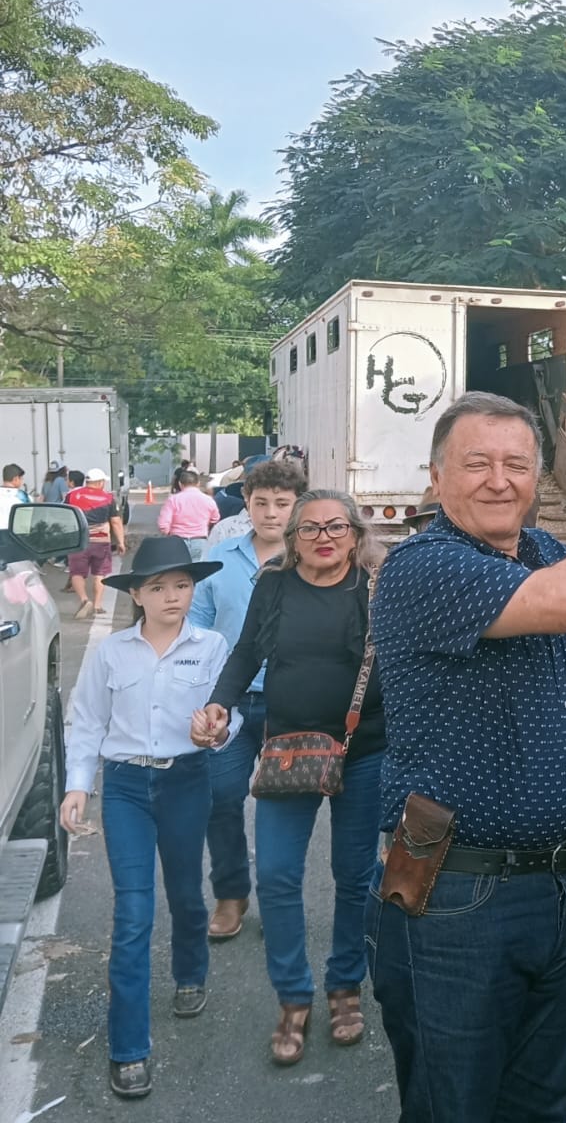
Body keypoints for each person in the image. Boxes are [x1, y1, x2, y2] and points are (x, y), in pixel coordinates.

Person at [366, 391, 566, 1122]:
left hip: (559, 885)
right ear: (436, 476)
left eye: (516, 464)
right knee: (453, 1108)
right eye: (476, 463)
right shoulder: (425, 566)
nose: (498, 480)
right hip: (457, 895)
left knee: (539, 1104)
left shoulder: (545, 551)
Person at [201, 490, 385, 1066]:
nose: (323, 537)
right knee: (277, 876)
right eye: (310, 529)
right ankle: (293, 997)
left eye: (336, 527)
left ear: (355, 535)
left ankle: (345, 986)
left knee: (355, 875)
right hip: (289, 750)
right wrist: (219, 703)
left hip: (366, 751)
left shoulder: (377, 587)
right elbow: (245, 653)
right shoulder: (273, 585)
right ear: (293, 539)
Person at [59, 536, 237, 1100]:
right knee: (133, 913)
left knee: (185, 893)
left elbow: (225, 717)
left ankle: (190, 971)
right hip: (126, 788)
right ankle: (128, 1047)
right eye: (158, 587)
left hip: (187, 781)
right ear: (136, 594)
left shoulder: (211, 646)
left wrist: (215, 732)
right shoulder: (112, 653)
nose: (172, 597)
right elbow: (88, 720)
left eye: (182, 585)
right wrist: (77, 786)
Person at [189, 459, 306, 941]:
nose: (271, 513)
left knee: (285, 805)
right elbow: (196, 628)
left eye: (282, 503)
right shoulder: (219, 557)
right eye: (262, 503)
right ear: (247, 504)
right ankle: (230, 894)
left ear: (297, 507)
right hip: (230, 702)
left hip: (291, 704)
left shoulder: (312, 561)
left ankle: (279, 899)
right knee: (219, 798)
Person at [66, 467, 127, 619]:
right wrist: (121, 542)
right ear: (100, 483)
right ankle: (97, 605)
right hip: (101, 542)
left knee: (77, 573)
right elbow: (116, 522)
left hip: (78, 541)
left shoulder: (71, 496)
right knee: (100, 573)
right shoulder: (108, 498)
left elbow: (64, 516)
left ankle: (84, 600)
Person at [157, 469, 221, 559]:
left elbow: (163, 524)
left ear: (180, 484)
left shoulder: (173, 500)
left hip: (177, 541)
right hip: (200, 540)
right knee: (199, 567)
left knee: (179, 567)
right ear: (198, 483)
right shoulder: (208, 500)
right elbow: (215, 518)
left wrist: (168, 533)